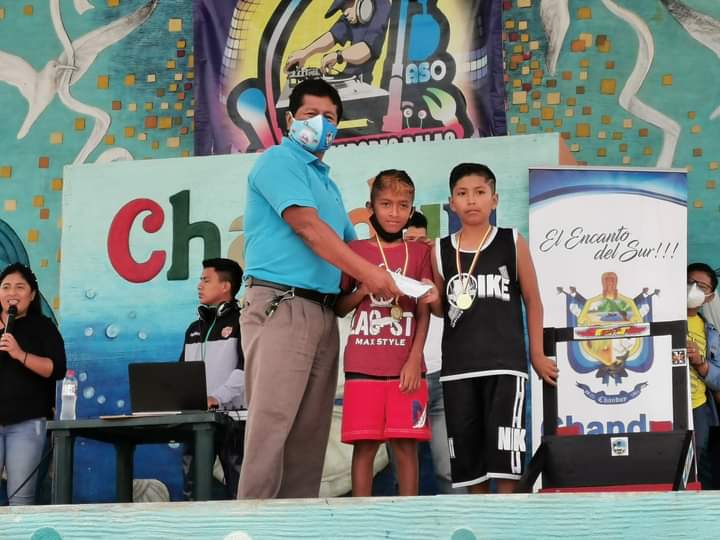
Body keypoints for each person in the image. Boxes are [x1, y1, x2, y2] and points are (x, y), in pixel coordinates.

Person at [239, 77, 399, 499]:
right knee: (272, 427)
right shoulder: (279, 161)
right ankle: (251, 522)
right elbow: (308, 228)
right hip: (282, 304)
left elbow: (353, 249)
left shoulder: (327, 183)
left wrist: (404, 276)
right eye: (310, 114)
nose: (320, 123)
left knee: (310, 437)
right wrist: (371, 274)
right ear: (290, 119)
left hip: (326, 313)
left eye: (329, 117)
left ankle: (295, 524)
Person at [428, 163, 558, 494]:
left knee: (506, 461)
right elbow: (444, 309)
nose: (471, 200)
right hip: (458, 370)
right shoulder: (439, 250)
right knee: (470, 466)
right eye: (462, 193)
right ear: (451, 203)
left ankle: (507, 520)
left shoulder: (511, 241)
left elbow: (533, 300)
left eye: (480, 192)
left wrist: (537, 354)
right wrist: (430, 299)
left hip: (505, 366)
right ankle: (481, 520)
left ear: (494, 199)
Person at [335, 170, 437, 496]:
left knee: (406, 446)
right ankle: (362, 518)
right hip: (363, 366)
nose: (394, 213)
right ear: (371, 208)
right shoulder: (354, 250)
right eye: (386, 204)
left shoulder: (420, 253)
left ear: (411, 209)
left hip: (406, 368)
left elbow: (424, 311)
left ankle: (409, 517)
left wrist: (414, 359)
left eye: (402, 205)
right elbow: (339, 307)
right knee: (364, 446)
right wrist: (363, 290)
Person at [404, 211, 465, 494]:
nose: (416, 247)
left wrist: (436, 261)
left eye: (421, 240)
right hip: (405, 380)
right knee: (404, 474)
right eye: (409, 241)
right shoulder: (389, 274)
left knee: (448, 469)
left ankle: (460, 520)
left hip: (442, 377)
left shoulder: (441, 266)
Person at [0, 263, 66, 505]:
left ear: (32, 294)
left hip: (27, 424)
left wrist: (19, 354)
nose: (12, 292)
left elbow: (56, 369)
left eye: (20, 287)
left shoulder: (43, 327)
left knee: (20, 500)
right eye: (6, 287)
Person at [180, 258, 245, 499]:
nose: (199, 285)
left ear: (225, 286)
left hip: (235, 420)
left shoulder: (244, 322)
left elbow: (247, 369)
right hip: (198, 420)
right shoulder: (193, 329)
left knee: (240, 489)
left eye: (206, 280)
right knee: (192, 489)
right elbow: (180, 373)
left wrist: (216, 398)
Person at [285, 0, 392, 81]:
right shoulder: (352, 15)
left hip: (362, 82)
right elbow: (332, 36)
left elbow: (367, 50)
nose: (345, 13)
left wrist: (338, 56)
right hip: (348, 76)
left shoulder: (382, 6)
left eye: (346, 6)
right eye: (342, 9)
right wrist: (305, 53)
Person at [686, 262, 720, 489]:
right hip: (662, 404)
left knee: (697, 462)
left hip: (696, 405)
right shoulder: (659, 318)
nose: (693, 289)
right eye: (690, 282)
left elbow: (718, 378)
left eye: (701, 287)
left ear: (710, 297)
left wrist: (700, 363)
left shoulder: (712, 333)